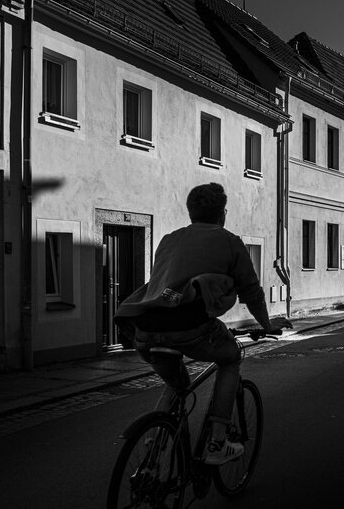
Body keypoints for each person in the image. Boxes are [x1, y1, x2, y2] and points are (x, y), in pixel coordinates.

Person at [115, 182, 289, 465]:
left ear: (191, 213)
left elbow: (167, 286)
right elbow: (252, 292)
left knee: (177, 384)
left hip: (146, 328)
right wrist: (266, 324)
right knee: (230, 358)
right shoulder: (230, 241)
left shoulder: (169, 239)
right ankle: (217, 442)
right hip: (190, 327)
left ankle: (152, 451)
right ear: (223, 214)